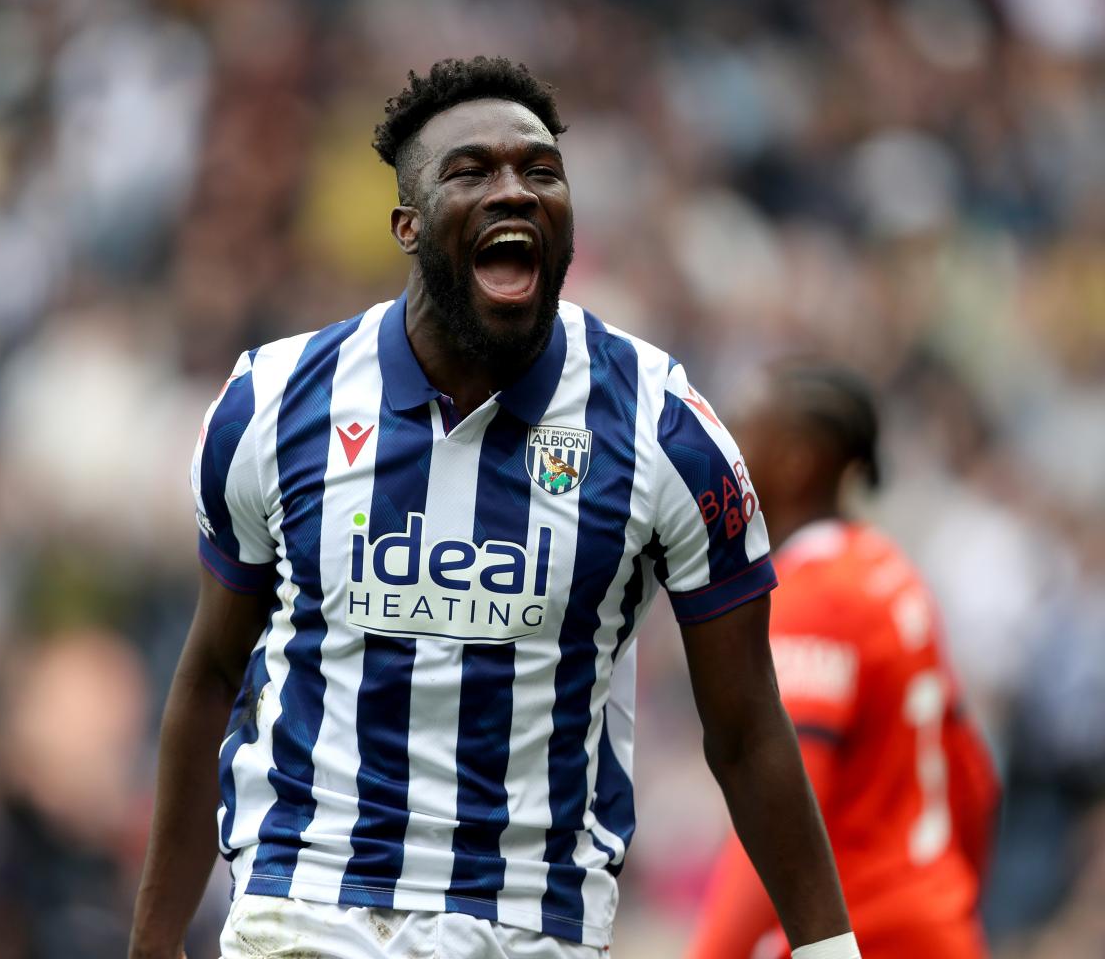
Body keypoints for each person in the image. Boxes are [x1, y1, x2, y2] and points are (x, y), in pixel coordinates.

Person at [129, 57, 859, 959]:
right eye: (472, 172)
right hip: (306, 901)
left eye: (540, 171)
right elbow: (210, 676)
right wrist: (154, 943)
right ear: (407, 224)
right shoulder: (272, 403)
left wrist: (831, 951)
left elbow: (747, 726)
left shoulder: (665, 428)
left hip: (527, 922)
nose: (514, 191)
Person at [686, 364, 1000, 959]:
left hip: (871, 935)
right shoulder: (891, 574)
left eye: (746, 435)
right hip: (940, 929)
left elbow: (780, 810)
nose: (727, 453)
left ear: (800, 460)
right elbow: (975, 779)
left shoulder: (819, 598)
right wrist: (946, 900)